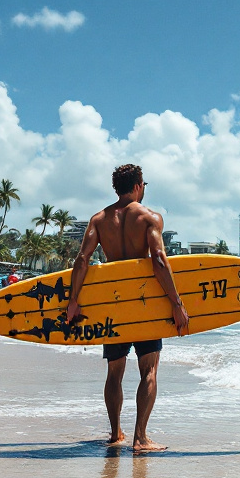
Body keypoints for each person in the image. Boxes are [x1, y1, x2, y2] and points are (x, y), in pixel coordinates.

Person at [66, 163, 189, 452]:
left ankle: (115, 433)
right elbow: (158, 259)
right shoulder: (149, 217)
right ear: (137, 186)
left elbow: (82, 260)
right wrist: (176, 303)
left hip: (113, 305)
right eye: (144, 184)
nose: (144, 189)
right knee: (149, 370)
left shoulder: (98, 219)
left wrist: (74, 301)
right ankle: (141, 438)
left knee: (114, 372)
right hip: (144, 305)